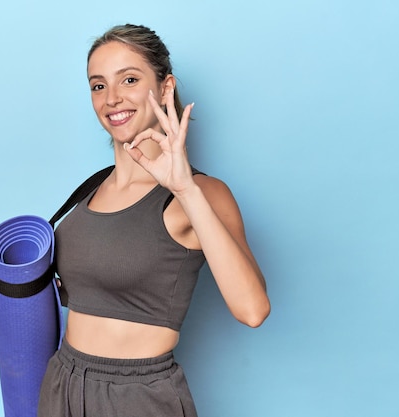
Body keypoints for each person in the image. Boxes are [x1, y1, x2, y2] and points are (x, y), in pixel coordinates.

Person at [38, 23, 270, 417]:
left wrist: (184, 189)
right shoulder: (89, 193)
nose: (112, 98)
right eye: (98, 85)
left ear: (165, 88)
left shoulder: (202, 193)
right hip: (62, 383)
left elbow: (253, 310)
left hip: (137, 397)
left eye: (129, 79)